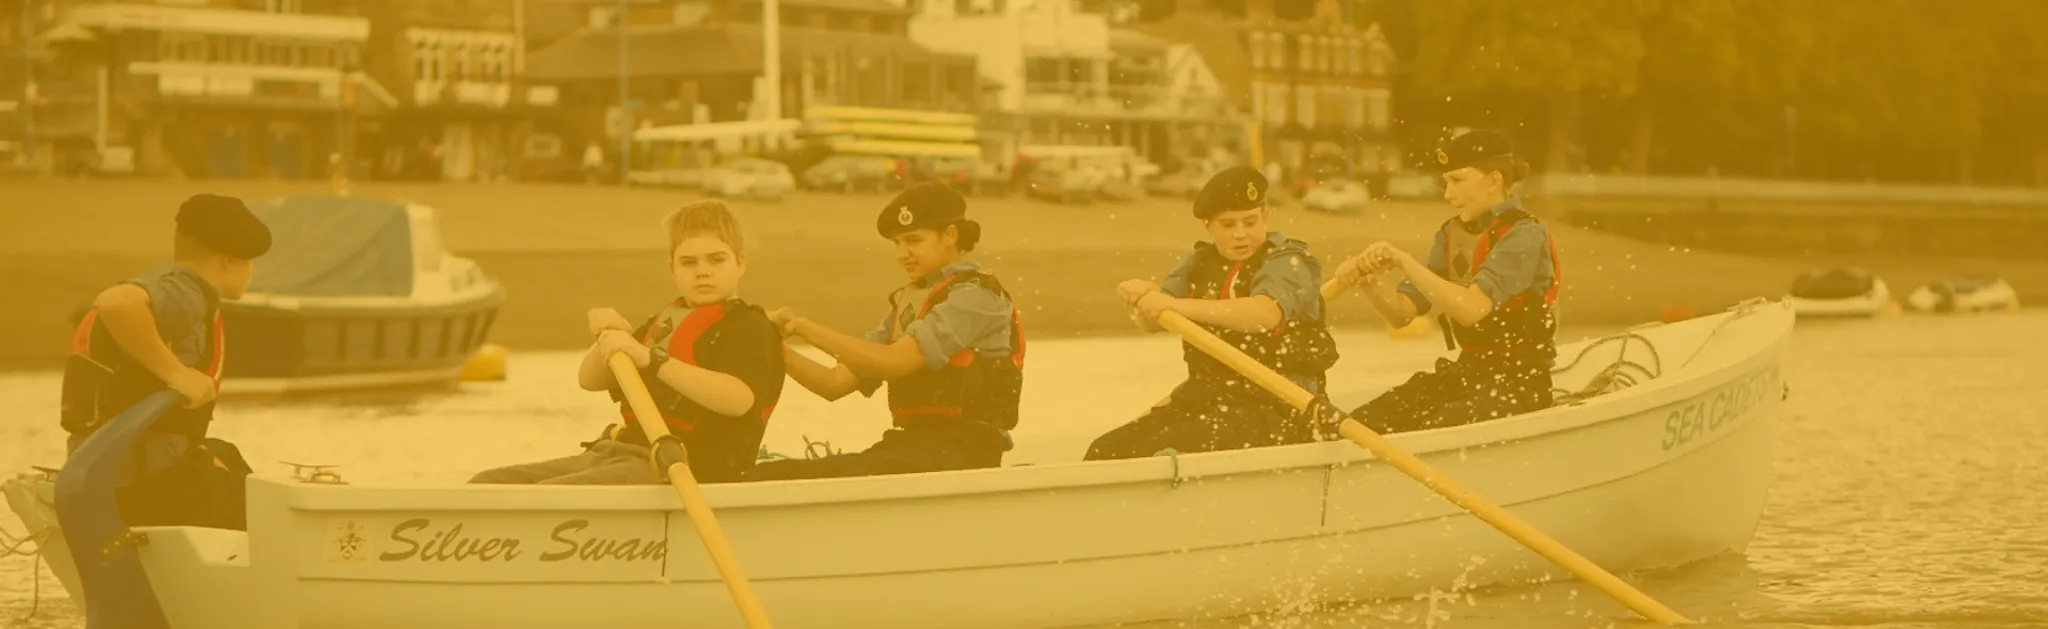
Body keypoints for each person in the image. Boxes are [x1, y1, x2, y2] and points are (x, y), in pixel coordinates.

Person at [469, 200, 786, 485]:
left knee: (547, 495)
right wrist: (608, 337)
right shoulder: (663, 323)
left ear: (740, 263)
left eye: (716, 260)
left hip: (685, 468)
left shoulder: (749, 326)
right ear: (672, 269)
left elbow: (738, 400)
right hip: (621, 452)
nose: (703, 272)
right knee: (487, 483)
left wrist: (653, 360)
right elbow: (590, 380)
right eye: (689, 263)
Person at [748, 183, 1024, 481]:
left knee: (804, 475)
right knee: (770, 473)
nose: (902, 254)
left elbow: (893, 362)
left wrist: (800, 327)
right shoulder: (908, 305)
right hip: (916, 448)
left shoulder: (977, 297)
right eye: (897, 243)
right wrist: (768, 339)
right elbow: (833, 384)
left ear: (950, 236)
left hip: (965, 452)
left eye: (913, 240)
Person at [1084, 166, 1340, 461]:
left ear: (1266, 215)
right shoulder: (1199, 263)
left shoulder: (1291, 260)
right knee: (1105, 450)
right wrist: (1144, 297)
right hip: (1206, 396)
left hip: (1280, 404)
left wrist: (1174, 306)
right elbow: (1154, 322)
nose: (1241, 234)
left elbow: (1264, 314)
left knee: (1164, 451)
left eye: (1250, 221)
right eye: (1228, 225)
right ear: (1209, 226)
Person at [61, 193, 271, 531]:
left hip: (112, 475)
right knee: (273, 509)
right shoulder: (186, 295)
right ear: (227, 261)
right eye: (250, 261)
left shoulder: (180, 293)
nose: (253, 271)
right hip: (147, 486)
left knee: (225, 455)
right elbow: (116, 303)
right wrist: (177, 374)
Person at [1331, 128, 1562, 435]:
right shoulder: (1451, 234)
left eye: (1457, 180)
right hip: (1468, 372)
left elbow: (1472, 309)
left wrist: (1403, 260)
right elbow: (1401, 315)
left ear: (1494, 180)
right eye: (1445, 182)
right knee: (1362, 423)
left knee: (1434, 428)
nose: (1447, 195)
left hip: (1520, 382)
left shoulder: (1524, 235)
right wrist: (1369, 281)